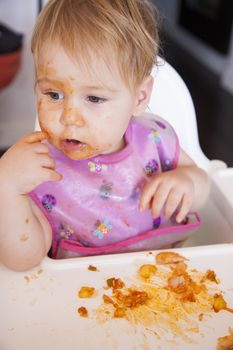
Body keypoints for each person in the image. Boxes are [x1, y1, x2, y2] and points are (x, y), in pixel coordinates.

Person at [0, 0, 209, 271]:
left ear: (139, 97)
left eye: (94, 98)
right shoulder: (41, 170)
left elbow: (203, 188)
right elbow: (22, 261)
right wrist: (6, 188)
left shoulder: (154, 141)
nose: (69, 117)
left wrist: (188, 183)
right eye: (54, 94)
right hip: (80, 300)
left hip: (165, 285)